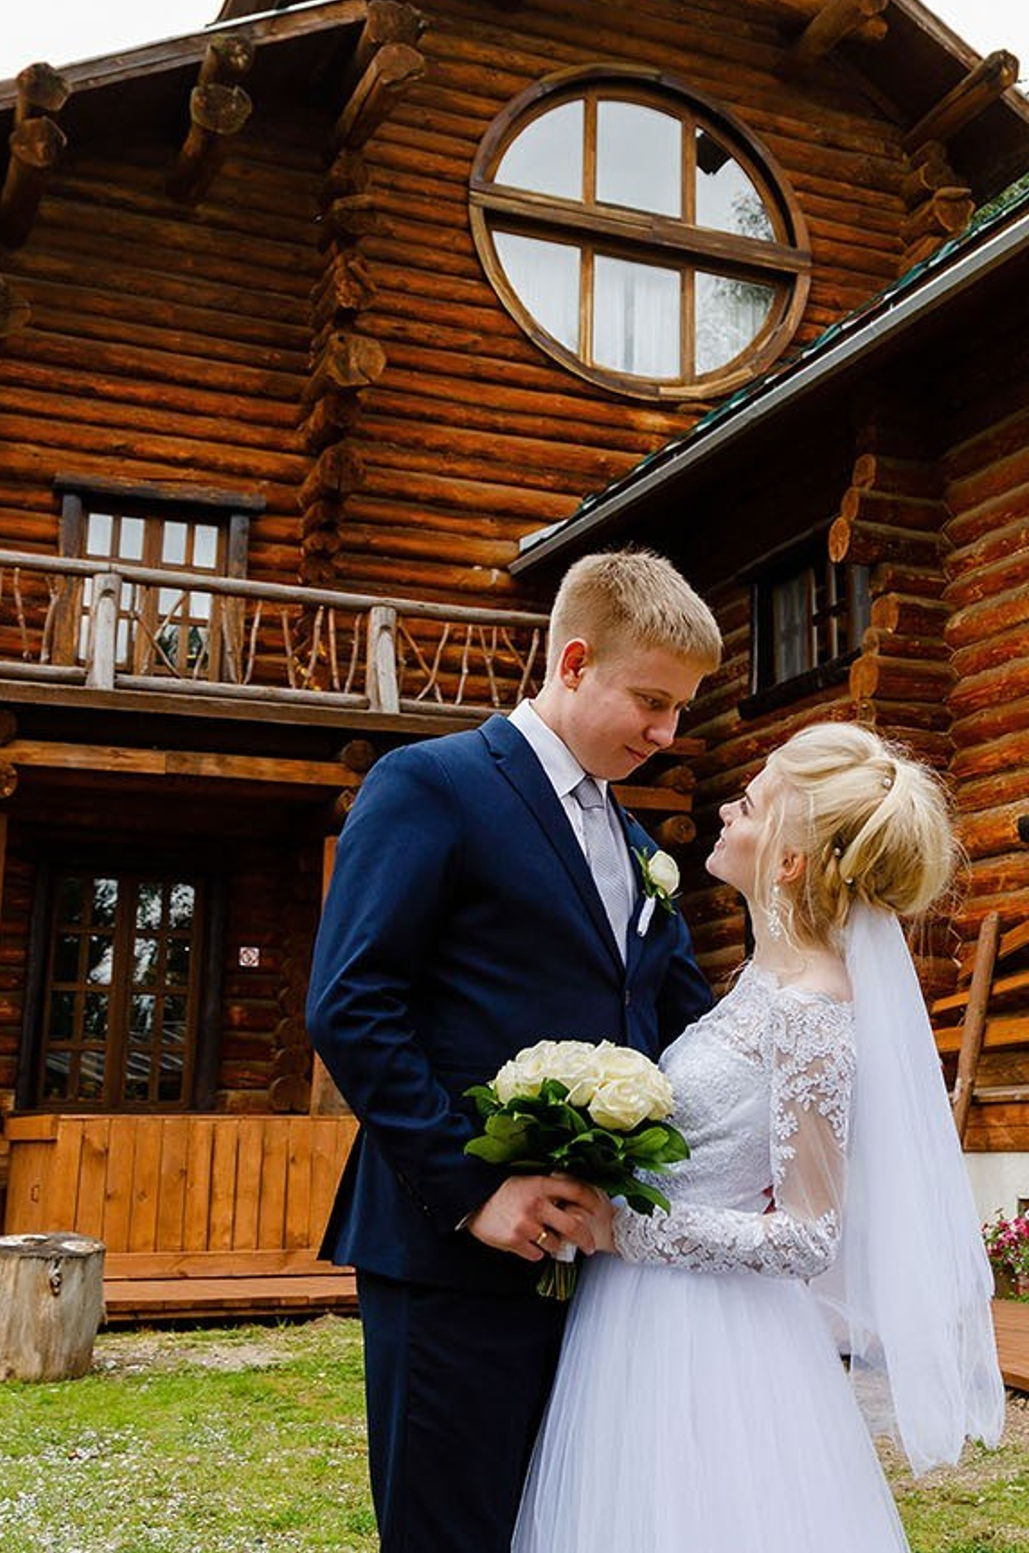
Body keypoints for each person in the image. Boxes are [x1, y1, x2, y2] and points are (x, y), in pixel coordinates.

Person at [305, 548, 723, 1553]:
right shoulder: (432, 784)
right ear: (574, 663)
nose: (666, 735)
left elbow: (681, 1023)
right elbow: (351, 1004)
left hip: (595, 1265)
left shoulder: (637, 844)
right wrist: (472, 1189)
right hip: (450, 1252)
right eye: (651, 701)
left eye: (680, 711)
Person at [514, 721, 1005, 1553]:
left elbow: (809, 1234)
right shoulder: (762, 981)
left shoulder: (810, 1012)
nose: (725, 814)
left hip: (709, 1334)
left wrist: (625, 1229)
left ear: (788, 863)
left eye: (746, 806)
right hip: (646, 1311)